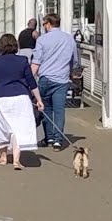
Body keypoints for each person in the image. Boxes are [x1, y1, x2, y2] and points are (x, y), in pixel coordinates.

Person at [0, 33, 44, 170]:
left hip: (0, 98)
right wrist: (39, 100)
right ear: (15, 46)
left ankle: (3, 157)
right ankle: (16, 160)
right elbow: (32, 82)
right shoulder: (22, 61)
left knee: (1, 127)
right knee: (18, 128)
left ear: (0, 46)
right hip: (21, 99)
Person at [30, 13, 81, 150]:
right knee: (59, 111)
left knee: (45, 108)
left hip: (45, 79)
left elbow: (36, 62)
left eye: (44, 24)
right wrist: (70, 72)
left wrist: (28, 79)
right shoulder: (69, 39)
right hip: (62, 80)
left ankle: (49, 137)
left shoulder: (42, 40)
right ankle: (58, 141)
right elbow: (74, 60)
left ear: (48, 24)